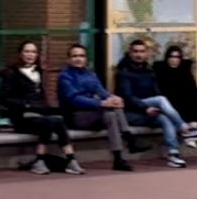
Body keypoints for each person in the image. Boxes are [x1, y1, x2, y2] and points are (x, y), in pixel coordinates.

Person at [114, 38, 197, 168]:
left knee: (166, 119)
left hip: (149, 109)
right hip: (131, 112)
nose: (139, 55)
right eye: (135, 51)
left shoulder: (149, 71)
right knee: (161, 100)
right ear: (130, 53)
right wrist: (146, 108)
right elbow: (127, 97)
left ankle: (173, 155)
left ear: (147, 53)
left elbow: (156, 91)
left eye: (142, 51)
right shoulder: (124, 72)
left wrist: (154, 109)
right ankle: (185, 129)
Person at [0, 40, 84, 175]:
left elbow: (42, 98)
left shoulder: (38, 72)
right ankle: (40, 160)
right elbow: (3, 99)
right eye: (27, 51)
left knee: (58, 120)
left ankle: (71, 159)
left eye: (33, 52)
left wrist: (47, 108)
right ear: (20, 54)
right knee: (48, 122)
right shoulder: (11, 73)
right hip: (22, 117)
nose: (30, 55)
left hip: (38, 114)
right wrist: (26, 105)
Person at [57, 44, 140, 172]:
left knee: (113, 109)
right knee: (109, 112)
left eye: (81, 56)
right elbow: (74, 100)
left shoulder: (90, 74)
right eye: (75, 56)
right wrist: (101, 103)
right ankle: (129, 141)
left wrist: (114, 99)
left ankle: (119, 157)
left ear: (86, 58)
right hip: (76, 115)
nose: (78, 59)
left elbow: (102, 92)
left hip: (95, 113)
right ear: (68, 59)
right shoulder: (65, 76)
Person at [153, 44, 197, 164]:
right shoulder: (161, 71)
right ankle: (190, 133)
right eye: (172, 57)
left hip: (187, 106)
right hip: (171, 105)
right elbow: (164, 94)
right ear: (167, 58)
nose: (175, 59)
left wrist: (195, 118)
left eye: (178, 57)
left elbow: (193, 91)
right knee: (182, 107)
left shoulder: (185, 71)